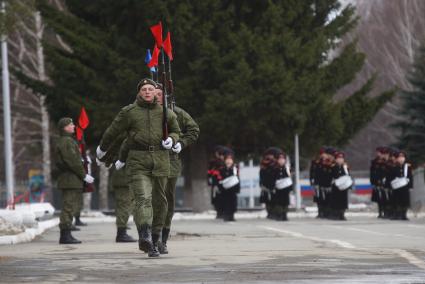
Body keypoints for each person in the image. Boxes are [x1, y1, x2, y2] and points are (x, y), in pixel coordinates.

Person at [96, 78, 180, 257]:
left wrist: (172, 139)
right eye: (144, 90)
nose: (148, 92)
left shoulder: (165, 112)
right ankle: (145, 235)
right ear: (139, 92)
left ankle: (156, 239)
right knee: (143, 198)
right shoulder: (130, 112)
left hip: (160, 159)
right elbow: (113, 130)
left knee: (160, 201)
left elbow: (175, 129)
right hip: (138, 160)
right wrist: (102, 148)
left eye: (151, 89)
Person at [155, 84, 200, 253]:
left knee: (167, 200)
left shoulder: (177, 113)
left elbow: (194, 129)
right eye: (154, 93)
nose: (157, 97)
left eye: (160, 94)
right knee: (152, 200)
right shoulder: (144, 114)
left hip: (171, 161)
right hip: (150, 161)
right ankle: (152, 236)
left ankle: (162, 239)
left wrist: (180, 144)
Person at [56, 117, 94, 244]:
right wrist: (84, 175)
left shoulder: (67, 141)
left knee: (70, 206)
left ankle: (66, 234)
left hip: (71, 178)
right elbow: (72, 161)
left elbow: (74, 159)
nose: (73, 126)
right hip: (70, 179)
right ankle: (65, 235)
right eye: (71, 124)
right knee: (68, 206)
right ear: (64, 127)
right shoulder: (66, 141)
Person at [387, 150, 413, 221]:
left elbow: (410, 176)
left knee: (405, 201)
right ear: (396, 158)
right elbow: (389, 177)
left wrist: (410, 186)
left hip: (405, 186)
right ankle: (396, 214)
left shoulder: (407, 166)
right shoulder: (393, 167)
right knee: (396, 200)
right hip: (396, 187)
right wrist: (389, 185)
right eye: (400, 157)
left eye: (403, 156)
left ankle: (404, 214)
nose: (401, 158)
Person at [216, 152, 240, 221]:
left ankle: (231, 215)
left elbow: (237, 178)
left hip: (233, 189)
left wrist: (238, 188)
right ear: (225, 160)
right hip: (224, 189)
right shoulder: (221, 169)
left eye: (230, 159)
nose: (229, 161)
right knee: (225, 202)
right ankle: (226, 215)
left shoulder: (235, 168)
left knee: (233, 202)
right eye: (227, 159)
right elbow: (219, 178)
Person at [330, 151, 352, 220]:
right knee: (336, 199)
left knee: (343, 200)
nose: (340, 160)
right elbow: (332, 175)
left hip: (344, 186)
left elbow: (347, 175)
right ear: (335, 159)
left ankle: (342, 214)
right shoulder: (333, 166)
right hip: (336, 185)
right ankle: (336, 214)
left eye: (342, 158)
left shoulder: (345, 166)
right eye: (339, 158)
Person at [271, 151, 293, 221]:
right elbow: (272, 178)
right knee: (278, 201)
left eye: (283, 158)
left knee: (286, 201)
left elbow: (289, 177)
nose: (281, 160)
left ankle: (284, 214)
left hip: (286, 187)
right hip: (278, 187)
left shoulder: (286, 168)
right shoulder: (274, 168)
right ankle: (279, 214)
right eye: (280, 158)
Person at [315, 147, 335, 219]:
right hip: (321, 184)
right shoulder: (320, 163)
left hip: (330, 184)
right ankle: (322, 212)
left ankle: (328, 213)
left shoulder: (332, 163)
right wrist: (316, 183)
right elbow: (317, 174)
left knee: (329, 199)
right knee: (321, 199)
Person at [370, 147, 389, 218]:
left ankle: (386, 211)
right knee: (379, 198)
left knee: (385, 198)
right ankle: (380, 212)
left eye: (380, 153)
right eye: (378, 152)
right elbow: (372, 172)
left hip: (384, 181)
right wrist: (373, 181)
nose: (379, 154)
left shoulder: (386, 162)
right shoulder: (374, 162)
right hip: (377, 181)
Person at [208, 146, 226, 219]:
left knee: (223, 198)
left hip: (224, 182)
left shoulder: (225, 162)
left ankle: (223, 212)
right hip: (215, 182)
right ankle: (219, 213)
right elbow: (209, 172)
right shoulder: (213, 162)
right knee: (216, 198)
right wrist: (209, 180)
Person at [259, 150, 277, 219]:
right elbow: (261, 174)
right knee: (266, 199)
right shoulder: (263, 164)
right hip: (265, 183)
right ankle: (269, 212)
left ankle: (274, 212)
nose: (270, 156)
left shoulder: (275, 164)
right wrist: (261, 184)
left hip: (273, 183)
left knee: (274, 199)